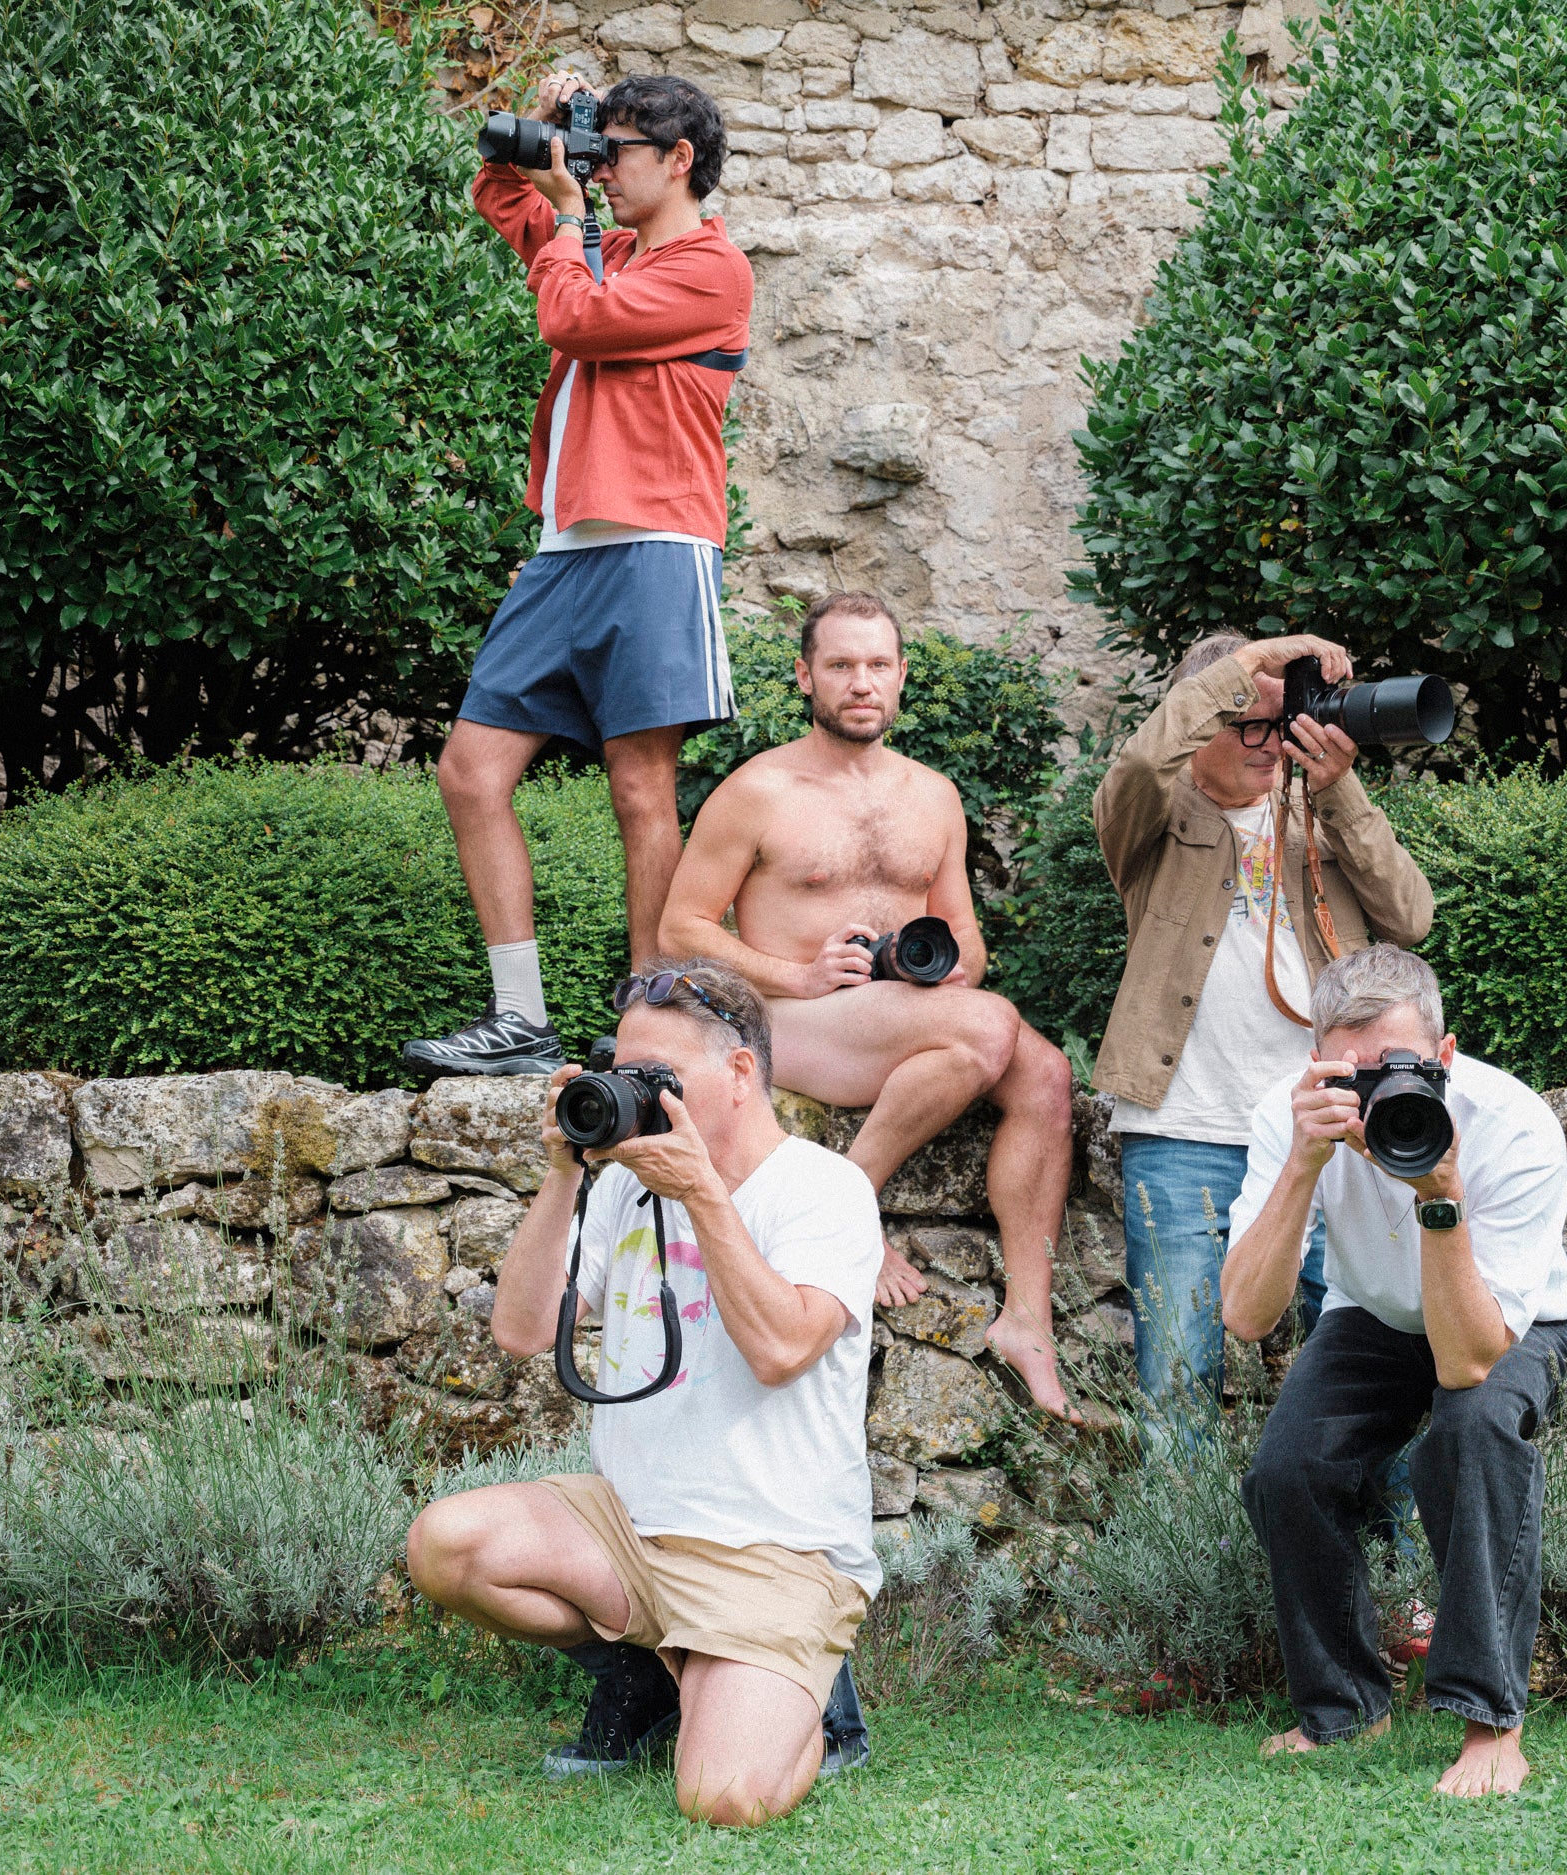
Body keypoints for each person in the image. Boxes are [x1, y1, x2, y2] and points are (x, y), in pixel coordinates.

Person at [406, 959, 878, 1825]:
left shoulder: (824, 1189)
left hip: (773, 1550)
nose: (635, 1093)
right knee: (447, 1544)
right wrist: (563, 1172)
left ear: (739, 1073)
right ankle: (658, 1670)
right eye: (623, 1072)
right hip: (633, 1529)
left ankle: (811, 1701)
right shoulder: (623, 1183)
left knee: (722, 1796)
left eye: (659, 1076)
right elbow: (520, 1329)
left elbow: (780, 1349)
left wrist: (701, 1193)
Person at [403, 73, 754, 1078]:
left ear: (679, 160)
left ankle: (651, 1022)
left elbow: (575, 321)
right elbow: (501, 196)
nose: (599, 170)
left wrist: (570, 221)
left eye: (618, 150)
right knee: (470, 772)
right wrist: (547, 125)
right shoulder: (610, 250)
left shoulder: (711, 268)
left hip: (655, 544)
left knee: (640, 785)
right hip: (565, 550)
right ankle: (520, 1018)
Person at [657, 593, 1082, 1416]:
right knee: (991, 1025)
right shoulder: (758, 789)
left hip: (899, 1014)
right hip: (791, 1018)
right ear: (805, 675)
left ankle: (1028, 1321)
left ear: (901, 675)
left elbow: (965, 936)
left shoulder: (934, 794)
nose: (862, 682)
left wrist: (950, 973)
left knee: (1048, 1075)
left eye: (878, 664)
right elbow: (682, 926)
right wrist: (800, 974)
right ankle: (850, 1213)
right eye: (842, 665)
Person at [1222, 945, 1567, 1798]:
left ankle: (1491, 1723)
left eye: (1401, 1068)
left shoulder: (1514, 1123)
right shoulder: (1290, 1117)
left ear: (1445, 1054)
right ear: (1317, 1060)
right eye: (1353, 1074)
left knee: (1473, 1434)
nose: (1379, 1093)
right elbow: (1246, 1314)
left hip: (1508, 1320)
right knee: (1289, 1469)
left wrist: (1438, 1190)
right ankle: (1346, 1707)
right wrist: (1302, 1165)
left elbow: (1467, 1359)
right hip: (1377, 1311)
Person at [1092, 633, 1433, 1416]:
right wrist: (1249, 663)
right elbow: (1138, 768)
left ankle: (1362, 1504)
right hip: (1182, 1131)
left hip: (1325, 1127)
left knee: (1369, 1369)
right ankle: (1185, 1509)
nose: (1268, 742)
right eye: (1245, 722)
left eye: (1277, 724)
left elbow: (1411, 917)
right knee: (1177, 1386)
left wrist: (1340, 791)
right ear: (1197, 720)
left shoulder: (1320, 809)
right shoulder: (1150, 816)